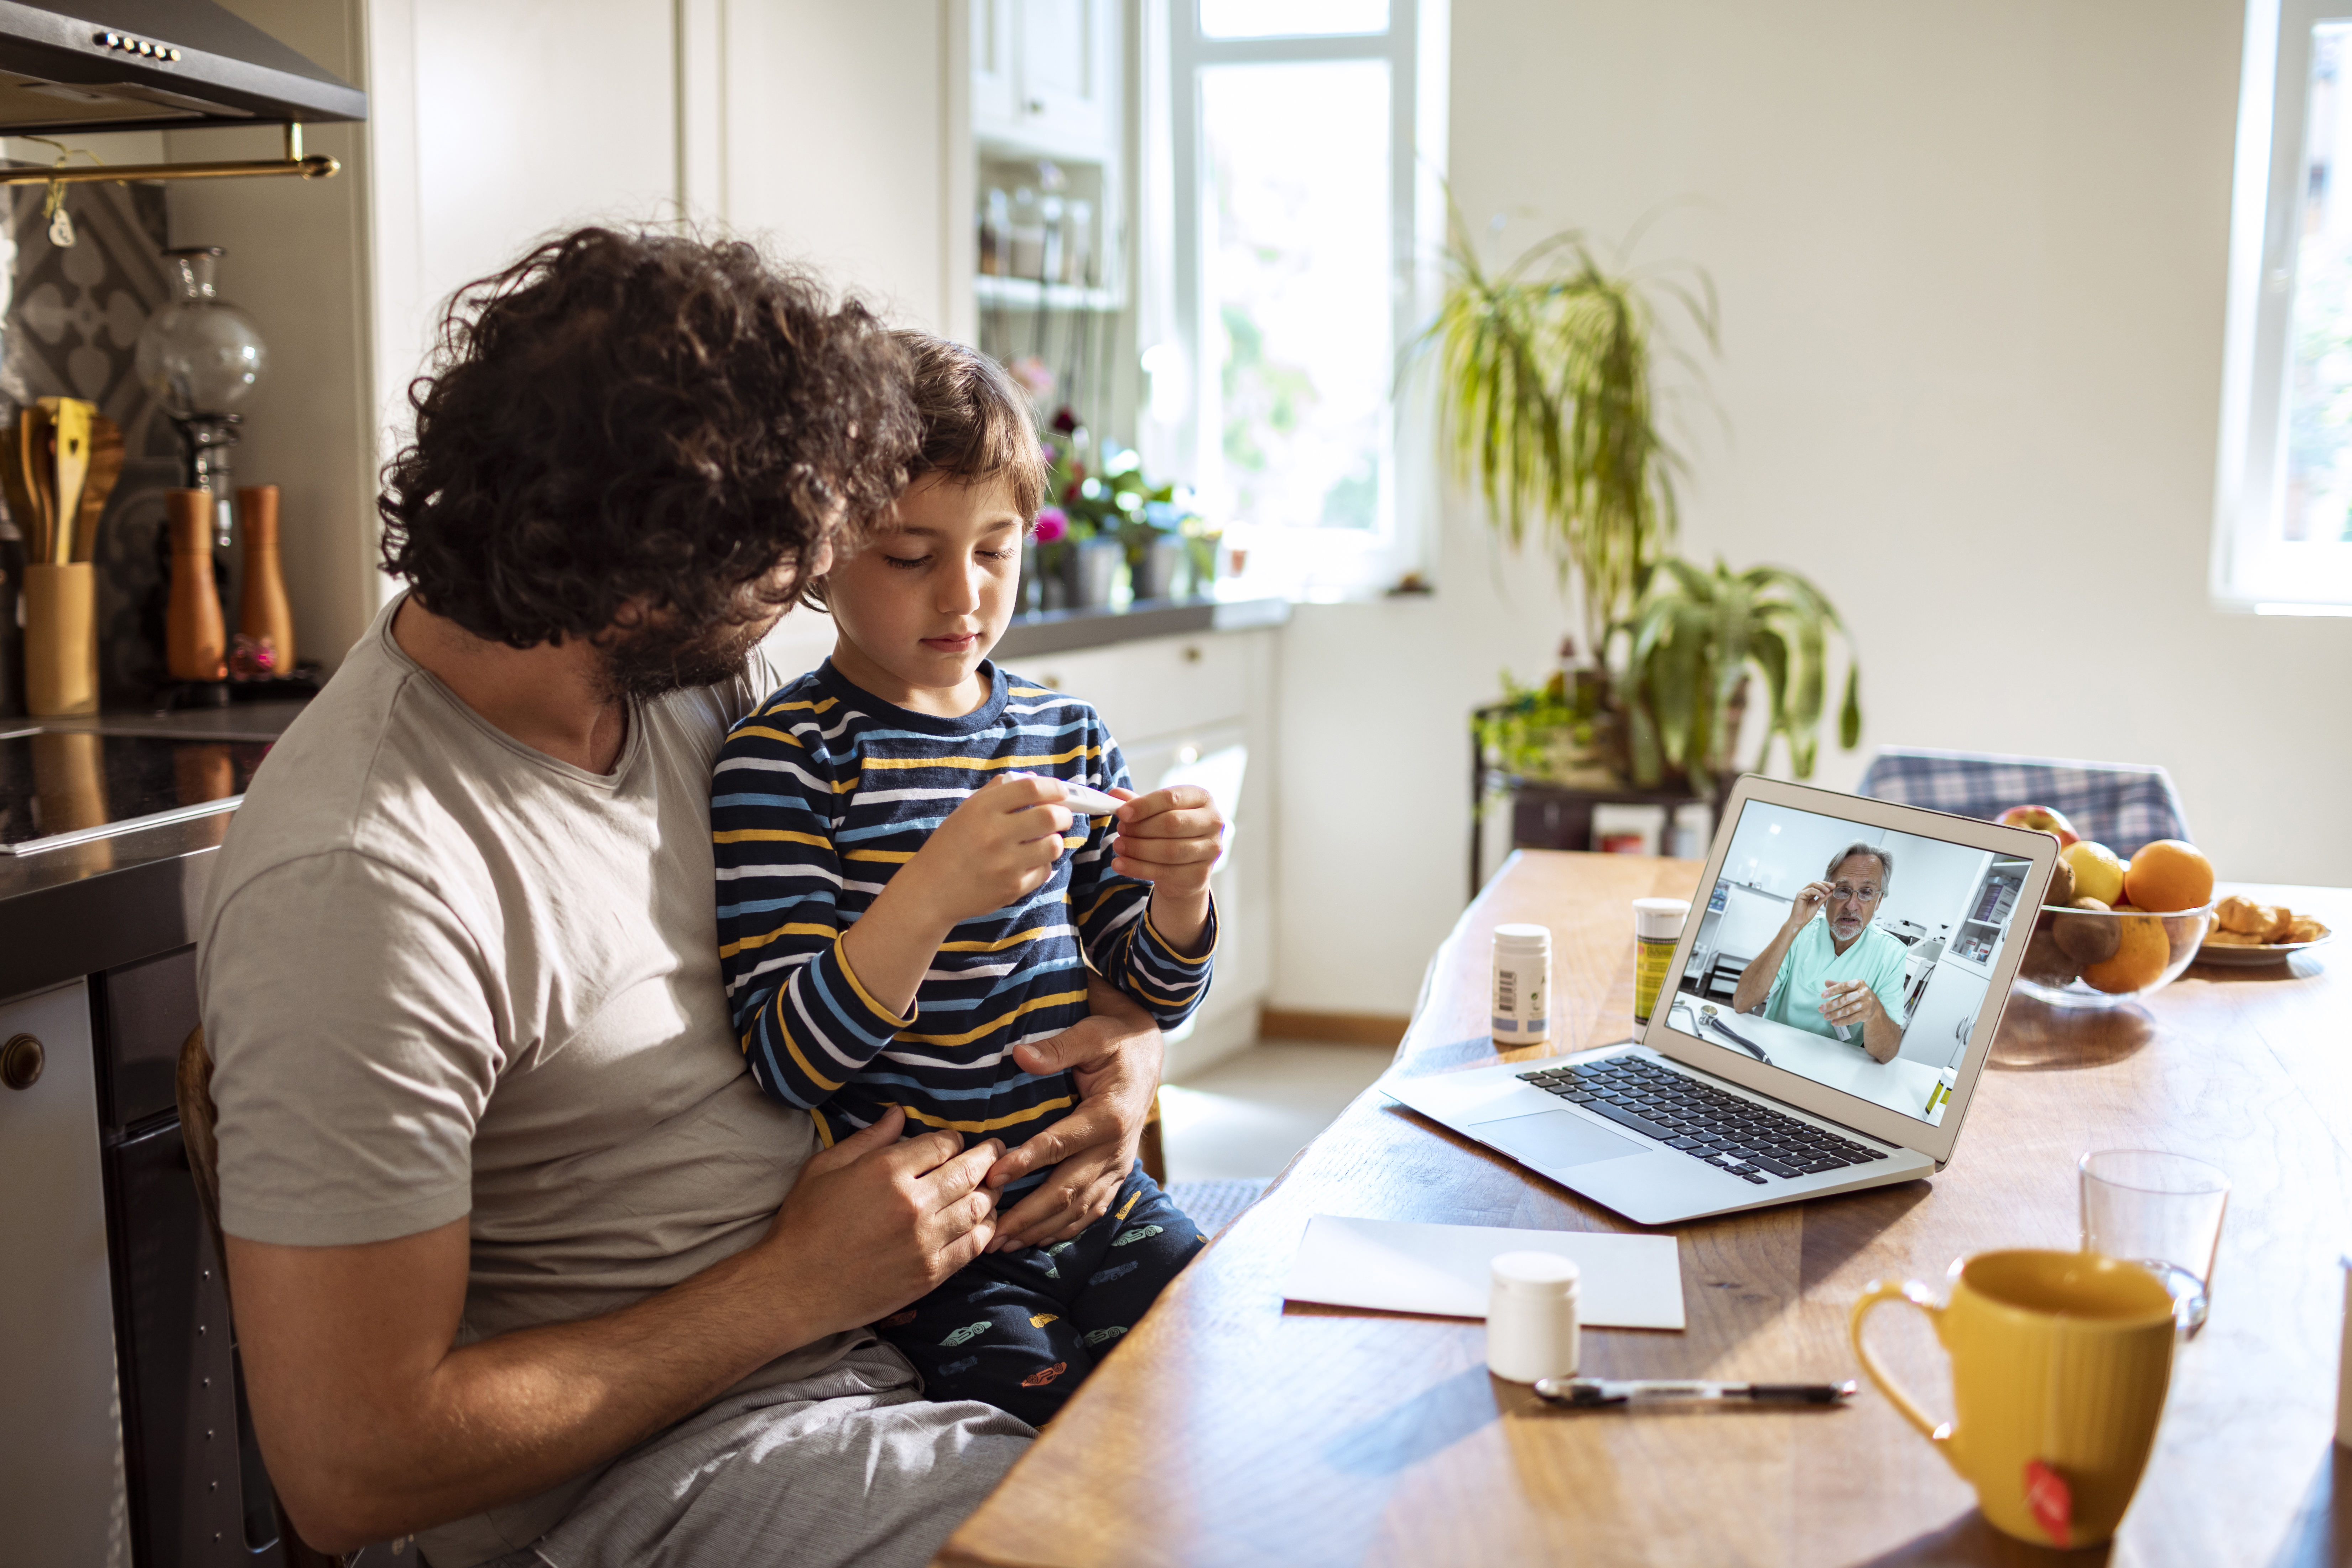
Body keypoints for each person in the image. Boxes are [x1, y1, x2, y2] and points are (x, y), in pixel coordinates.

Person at [196, 230, 1165, 1568]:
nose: (813, 581)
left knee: (1271, 1428)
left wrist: (1125, 1042)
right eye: (794, 559)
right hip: (669, 1466)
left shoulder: (687, 686)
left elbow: (916, 941)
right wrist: (793, 1286)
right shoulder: (366, 881)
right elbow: (352, 1466)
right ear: (644, 577)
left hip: (896, 1321)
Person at [712, 333, 1224, 1426]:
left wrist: (1179, 895)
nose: (962, 594)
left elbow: (1147, 990)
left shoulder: (1063, 731)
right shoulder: (787, 759)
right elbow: (786, 1057)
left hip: (1097, 1196)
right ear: (821, 551)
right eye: (909, 555)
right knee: (1038, 1444)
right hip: (940, 1244)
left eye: (995, 550)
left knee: (1211, 1375)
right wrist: (931, 891)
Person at [1731, 842, 1910, 1062]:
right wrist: (1792, 926)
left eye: (1866, 893)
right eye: (1843, 890)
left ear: (1879, 900)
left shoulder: (1891, 954)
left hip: (1834, 1066)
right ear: (1826, 893)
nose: (1852, 906)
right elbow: (1742, 1002)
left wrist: (1875, 1012)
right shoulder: (1800, 931)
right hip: (1771, 1050)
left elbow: (1887, 1054)